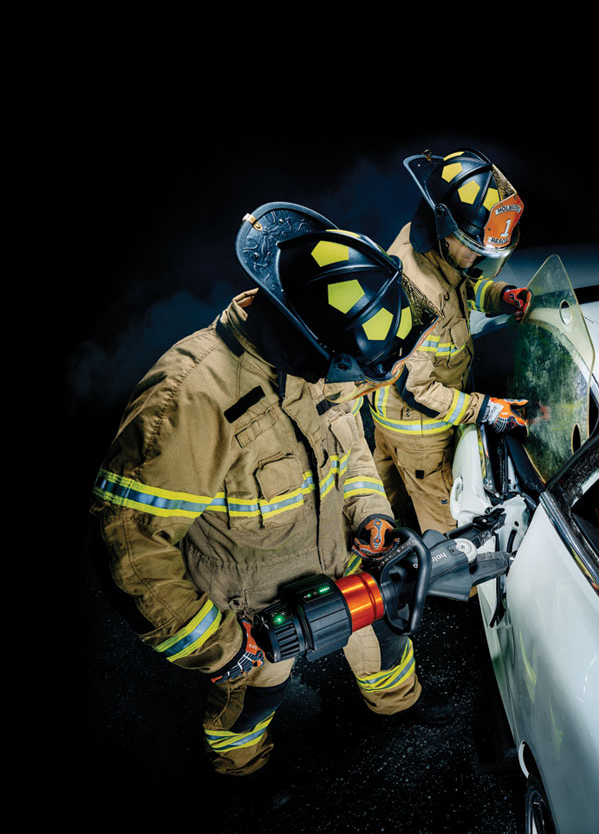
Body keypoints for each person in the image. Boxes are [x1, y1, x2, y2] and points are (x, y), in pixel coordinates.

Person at [90, 201, 447, 778]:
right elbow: (130, 552)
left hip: (343, 566)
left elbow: (349, 446)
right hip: (254, 613)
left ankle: (399, 707)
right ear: (307, 341)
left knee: (387, 644)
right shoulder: (188, 400)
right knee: (251, 702)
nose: (352, 381)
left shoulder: (316, 351)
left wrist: (370, 513)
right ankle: (242, 769)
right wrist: (222, 648)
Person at [370, 148, 532, 535]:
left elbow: (460, 289)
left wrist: (501, 296)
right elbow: (417, 389)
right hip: (419, 435)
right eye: (473, 248)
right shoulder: (416, 290)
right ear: (445, 225)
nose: (476, 259)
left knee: (378, 508)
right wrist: (486, 409)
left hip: (387, 416)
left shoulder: (432, 243)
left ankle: (374, 550)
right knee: (447, 533)